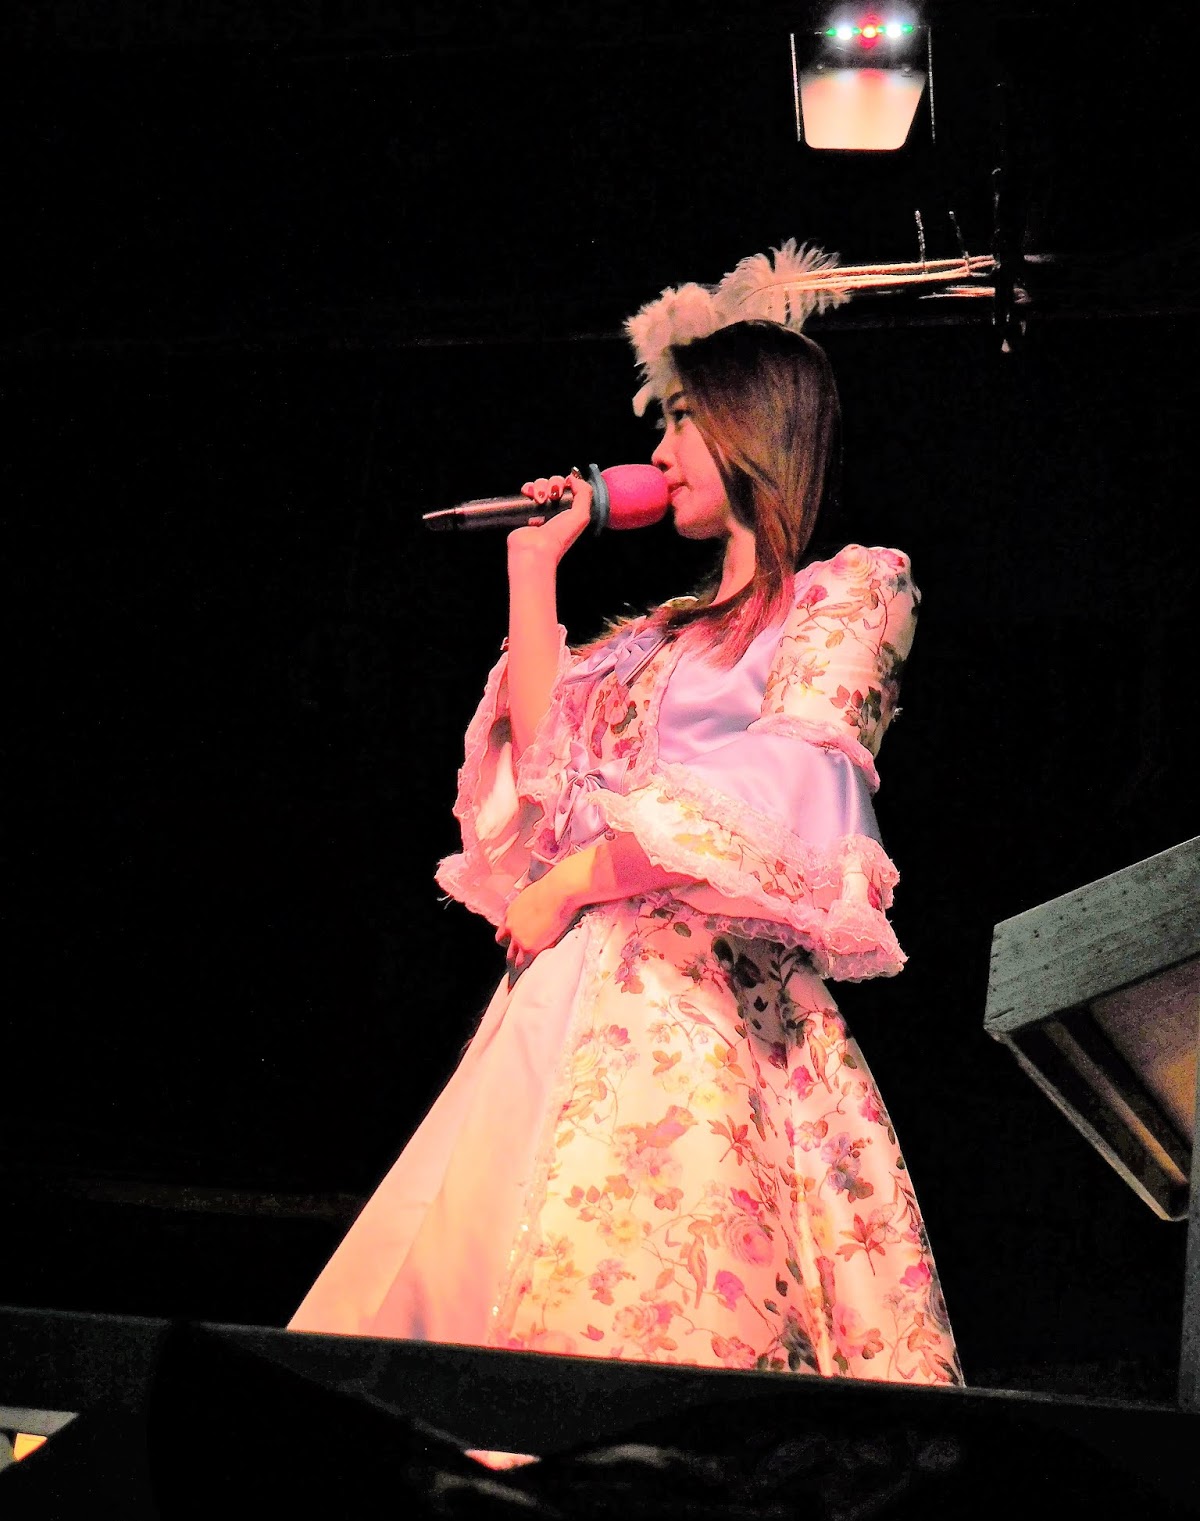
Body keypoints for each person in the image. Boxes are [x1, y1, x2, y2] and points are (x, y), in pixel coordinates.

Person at [289, 240, 963, 1390]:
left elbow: (791, 785)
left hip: (707, 1003)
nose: (653, 454)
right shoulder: (655, 640)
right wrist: (534, 567)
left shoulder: (847, 593)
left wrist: (583, 878)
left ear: (750, 425)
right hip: (577, 994)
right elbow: (551, 778)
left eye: (681, 421)